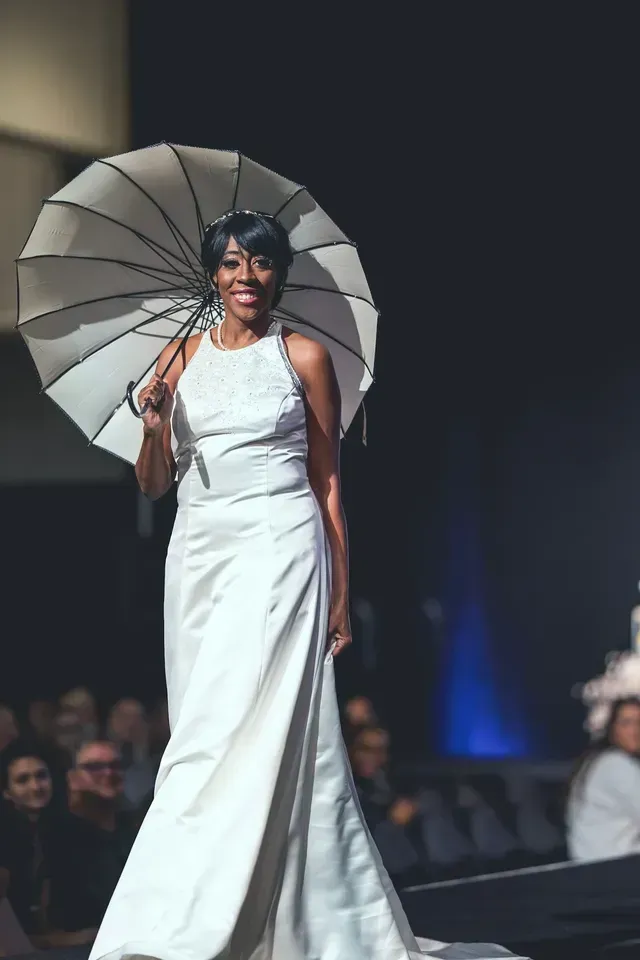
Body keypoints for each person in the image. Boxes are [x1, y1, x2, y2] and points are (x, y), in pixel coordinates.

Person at [87, 211, 526, 960]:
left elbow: (327, 483)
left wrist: (340, 590)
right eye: (230, 265)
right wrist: (154, 423)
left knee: (272, 727)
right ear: (212, 275)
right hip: (199, 555)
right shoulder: (178, 358)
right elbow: (155, 484)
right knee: (201, 736)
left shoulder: (305, 355)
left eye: (258, 263)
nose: (245, 278)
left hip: (283, 548)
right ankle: (187, 917)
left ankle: (280, 920)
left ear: (278, 273)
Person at [47, 740, 136, 940]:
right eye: (94, 767)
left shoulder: (137, 830)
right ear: (72, 778)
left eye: (115, 765)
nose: (108, 773)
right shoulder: (54, 838)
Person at [567, 696, 640, 861]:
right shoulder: (615, 765)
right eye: (626, 723)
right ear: (613, 728)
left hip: (598, 863)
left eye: (639, 723)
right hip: (614, 865)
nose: (635, 731)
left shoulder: (601, 761)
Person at [0, 740, 55, 936]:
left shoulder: (54, 833)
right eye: (22, 780)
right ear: (6, 792)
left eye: (41, 776)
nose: (35, 786)